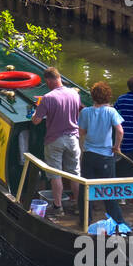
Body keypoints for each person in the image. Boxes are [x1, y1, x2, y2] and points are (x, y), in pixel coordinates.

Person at [30, 68, 82, 214]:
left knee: (55, 175)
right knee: (74, 174)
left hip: (55, 140)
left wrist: (36, 111)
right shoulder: (74, 93)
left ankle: (58, 207)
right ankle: (78, 206)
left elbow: (36, 121)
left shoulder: (47, 98)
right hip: (73, 139)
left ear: (48, 80)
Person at [79, 81, 125, 226]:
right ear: (108, 96)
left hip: (89, 154)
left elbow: (82, 133)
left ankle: (85, 219)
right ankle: (117, 221)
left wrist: (82, 151)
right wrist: (117, 146)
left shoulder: (85, 112)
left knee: (85, 188)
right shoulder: (111, 112)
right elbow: (120, 130)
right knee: (109, 190)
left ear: (93, 96)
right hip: (106, 156)